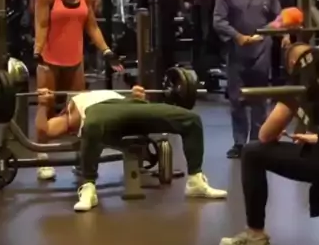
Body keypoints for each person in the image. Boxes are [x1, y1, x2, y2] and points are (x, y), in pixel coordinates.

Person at [219, 44, 319, 245]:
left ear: (293, 64)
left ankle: (255, 237)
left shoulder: (300, 82)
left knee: (252, 153)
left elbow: (265, 135)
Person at [35, 85, 227, 211]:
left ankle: (195, 181)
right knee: (92, 125)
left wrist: (137, 96)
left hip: (131, 106)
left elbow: (136, 104)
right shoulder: (72, 108)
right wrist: (43, 105)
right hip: (100, 114)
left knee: (191, 119)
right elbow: (44, 131)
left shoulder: (116, 93)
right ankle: (88, 187)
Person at [34, 0, 123, 181]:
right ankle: (42, 159)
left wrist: (106, 51)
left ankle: (80, 159)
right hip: (49, 60)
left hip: (75, 61)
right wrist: (37, 52)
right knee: (46, 106)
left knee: (79, 110)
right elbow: (42, 25)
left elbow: (92, 27)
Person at [213, 0, 286, 158]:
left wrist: (273, 33)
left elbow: (279, 19)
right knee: (236, 101)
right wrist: (237, 36)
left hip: (261, 54)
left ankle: (256, 143)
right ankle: (239, 143)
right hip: (237, 54)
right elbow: (218, 21)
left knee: (259, 101)